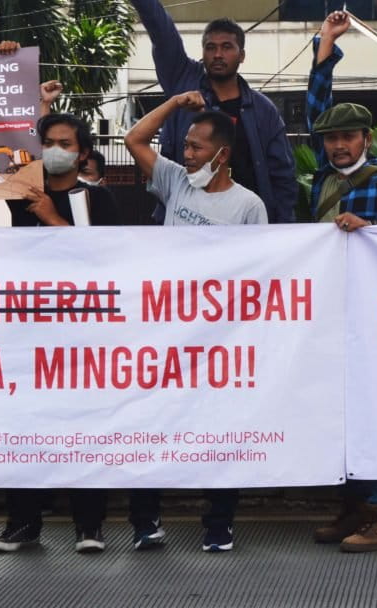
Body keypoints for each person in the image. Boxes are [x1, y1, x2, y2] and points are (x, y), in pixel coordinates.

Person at [124, 91, 268, 553]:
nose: (185, 154)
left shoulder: (248, 206)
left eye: (195, 147)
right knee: (151, 426)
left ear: (222, 155)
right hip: (164, 334)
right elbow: (134, 139)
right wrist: (173, 104)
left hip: (216, 342)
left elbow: (257, 274)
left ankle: (219, 524)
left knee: (219, 432)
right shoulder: (175, 182)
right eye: (185, 145)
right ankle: (145, 521)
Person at [306, 11, 377, 553]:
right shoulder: (321, 180)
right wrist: (325, 44)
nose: (338, 145)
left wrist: (370, 231)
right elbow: (314, 105)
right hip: (331, 315)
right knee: (340, 416)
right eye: (331, 139)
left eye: (347, 136)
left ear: (367, 138)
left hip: (375, 321)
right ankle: (353, 507)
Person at [0, 112, 118, 554]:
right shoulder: (22, 193)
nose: (55, 150)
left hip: (83, 333)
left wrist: (51, 218)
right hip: (29, 329)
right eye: (48, 142)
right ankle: (23, 523)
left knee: (85, 429)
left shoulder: (98, 200)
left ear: (83, 153)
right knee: (24, 428)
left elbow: (105, 259)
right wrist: (34, 104)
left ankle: (89, 525)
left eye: (66, 143)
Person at [122, 0, 296, 223]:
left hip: (243, 222)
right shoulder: (183, 81)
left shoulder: (263, 110)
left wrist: (282, 230)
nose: (217, 54)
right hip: (186, 217)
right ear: (202, 52)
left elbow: (282, 176)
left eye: (227, 47)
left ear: (241, 55)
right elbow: (163, 35)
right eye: (210, 47)